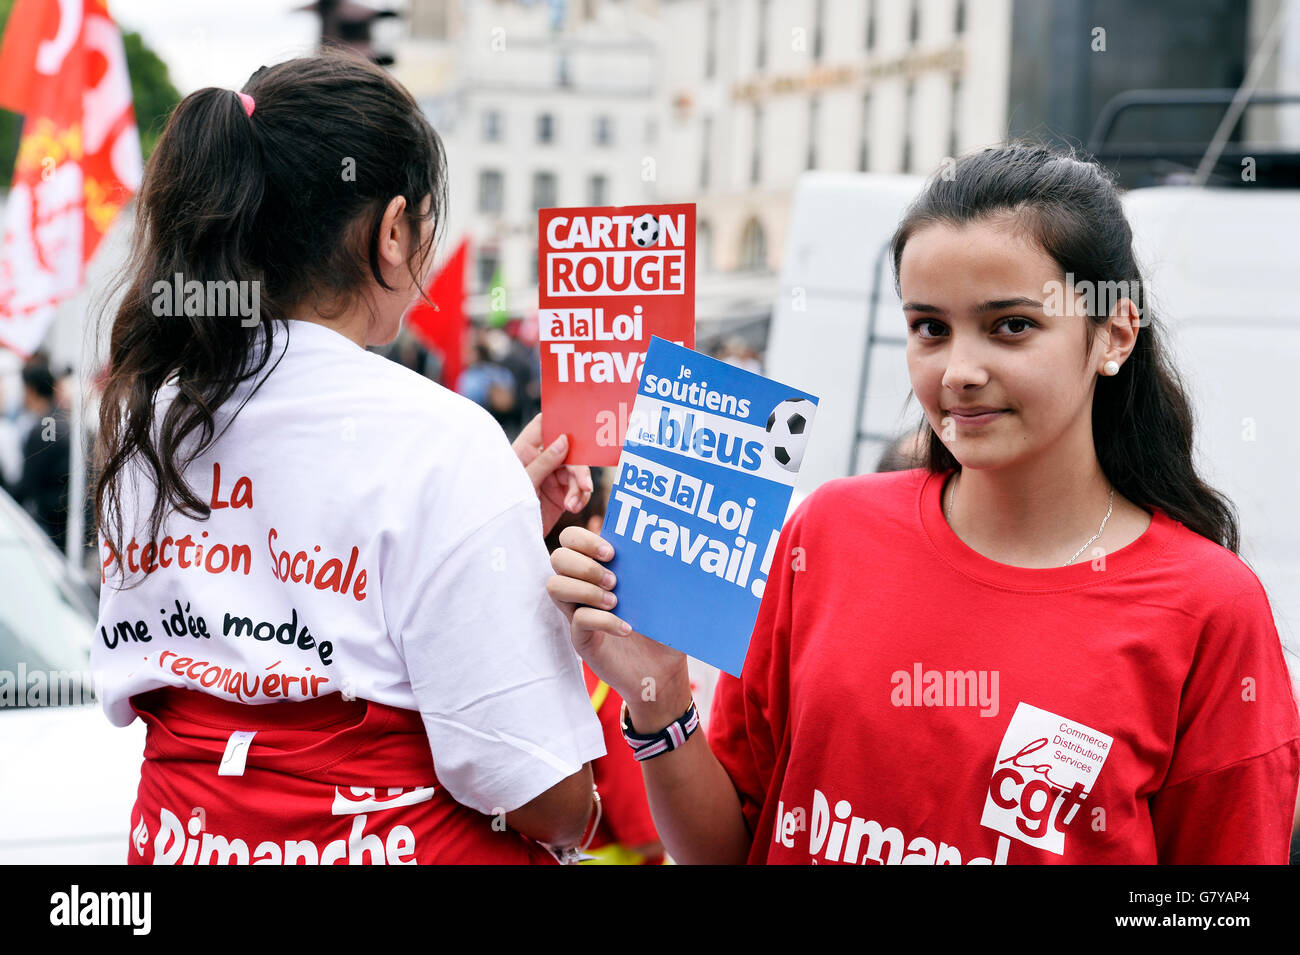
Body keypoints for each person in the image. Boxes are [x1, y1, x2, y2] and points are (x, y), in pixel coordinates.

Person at [547, 142, 1300, 864]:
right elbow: (728, 848)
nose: (960, 370)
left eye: (1012, 326)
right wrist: (659, 691)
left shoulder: (1210, 611)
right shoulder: (828, 532)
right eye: (929, 328)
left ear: (1113, 335)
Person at [92, 51, 603, 865]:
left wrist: (493, 514)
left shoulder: (150, 418)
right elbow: (548, 799)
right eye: (428, 221)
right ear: (391, 230)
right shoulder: (440, 442)